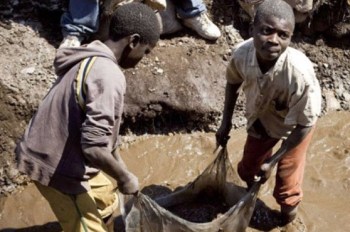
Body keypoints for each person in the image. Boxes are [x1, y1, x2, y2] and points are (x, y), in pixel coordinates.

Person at [16, 3, 160, 231]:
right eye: (146, 51)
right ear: (133, 42)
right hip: (57, 166)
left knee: (106, 199)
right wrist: (124, 177)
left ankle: (99, 218)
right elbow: (93, 148)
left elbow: (104, 139)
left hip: (62, 149)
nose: (144, 58)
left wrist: (122, 169)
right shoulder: (108, 75)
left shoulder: (91, 53)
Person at [215, 0, 321, 226]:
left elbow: (305, 125)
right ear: (252, 29)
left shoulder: (298, 74)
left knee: (287, 187)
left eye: (283, 35)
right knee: (248, 169)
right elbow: (232, 83)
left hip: (295, 127)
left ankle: (286, 221)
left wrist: (273, 161)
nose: (274, 40)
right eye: (266, 31)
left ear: (291, 38)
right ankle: (250, 200)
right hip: (262, 118)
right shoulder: (242, 55)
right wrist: (226, 122)